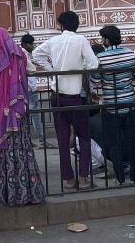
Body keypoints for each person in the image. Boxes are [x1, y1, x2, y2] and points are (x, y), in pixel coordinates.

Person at [0, 27, 46, 206]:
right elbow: (31, 70)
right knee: (23, 149)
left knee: (2, 150)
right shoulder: (20, 52)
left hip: (1, 111)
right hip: (19, 109)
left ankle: (7, 194)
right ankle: (27, 193)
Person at [33, 10, 99, 190]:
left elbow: (37, 54)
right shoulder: (81, 40)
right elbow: (93, 64)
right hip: (75, 97)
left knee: (63, 139)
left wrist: (53, 71)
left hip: (56, 96)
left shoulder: (54, 41)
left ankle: (69, 180)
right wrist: (80, 70)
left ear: (61, 25)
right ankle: (83, 178)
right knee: (84, 137)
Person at [91, 25, 135, 185]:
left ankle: (120, 177)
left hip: (111, 105)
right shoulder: (131, 54)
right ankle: (134, 176)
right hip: (130, 102)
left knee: (114, 142)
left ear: (106, 39)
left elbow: (95, 80)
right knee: (132, 140)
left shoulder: (101, 58)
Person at [20, 34, 48, 148]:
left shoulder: (22, 54)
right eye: (31, 44)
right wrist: (32, 87)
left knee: (28, 114)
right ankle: (41, 139)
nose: (32, 46)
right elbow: (30, 71)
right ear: (25, 44)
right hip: (29, 88)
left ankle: (28, 139)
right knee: (34, 114)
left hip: (25, 87)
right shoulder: (24, 54)